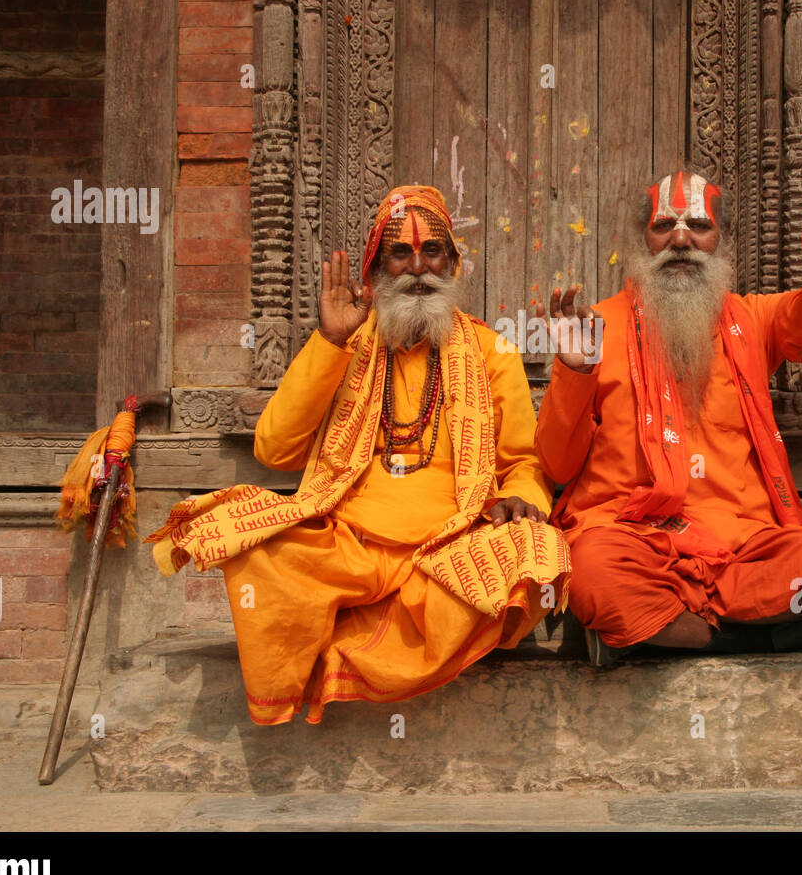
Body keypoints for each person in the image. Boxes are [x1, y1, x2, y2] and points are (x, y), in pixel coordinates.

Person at [147, 185, 569, 722]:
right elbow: (275, 449)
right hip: (350, 546)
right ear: (377, 269)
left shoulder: (492, 351)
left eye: (433, 251)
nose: (419, 268)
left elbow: (523, 461)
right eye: (401, 253)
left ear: (453, 262)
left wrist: (520, 495)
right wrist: (327, 343)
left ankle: (352, 645)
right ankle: (363, 641)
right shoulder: (348, 341)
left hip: (452, 545)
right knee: (254, 549)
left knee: (532, 549)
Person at [534, 100, 802, 666]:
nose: (680, 239)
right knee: (593, 574)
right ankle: (760, 635)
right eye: (664, 226)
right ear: (642, 242)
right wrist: (573, 374)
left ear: (720, 241)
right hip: (634, 541)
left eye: (698, 225)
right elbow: (554, 467)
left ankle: (665, 633)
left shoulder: (753, 321)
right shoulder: (597, 328)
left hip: (740, 546)